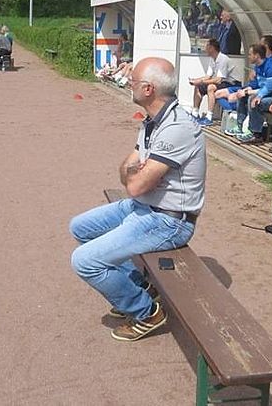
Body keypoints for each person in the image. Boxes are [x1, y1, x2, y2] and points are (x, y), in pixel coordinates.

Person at [70, 57, 206, 342]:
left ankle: (147, 312)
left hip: (169, 221)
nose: (128, 84)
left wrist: (136, 174)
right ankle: (138, 286)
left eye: (133, 81)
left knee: (84, 261)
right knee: (79, 227)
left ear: (148, 89)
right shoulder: (153, 121)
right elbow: (128, 169)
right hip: (144, 206)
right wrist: (135, 173)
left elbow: (135, 184)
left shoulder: (176, 128)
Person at [220, 42, 272, 136]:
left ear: (256, 56)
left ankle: (254, 131)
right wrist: (244, 91)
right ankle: (239, 126)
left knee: (252, 99)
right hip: (262, 93)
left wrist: (248, 92)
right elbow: (254, 85)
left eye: (250, 54)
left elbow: (270, 88)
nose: (248, 57)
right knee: (241, 96)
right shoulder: (257, 66)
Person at [189, 38, 240, 126]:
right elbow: (208, 76)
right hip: (223, 82)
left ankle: (209, 117)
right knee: (198, 87)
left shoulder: (223, 59)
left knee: (211, 87)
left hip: (232, 83)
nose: (205, 49)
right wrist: (196, 81)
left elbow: (218, 79)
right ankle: (195, 113)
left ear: (212, 48)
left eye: (207, 46)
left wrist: (201, 82)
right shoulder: (212, 59)